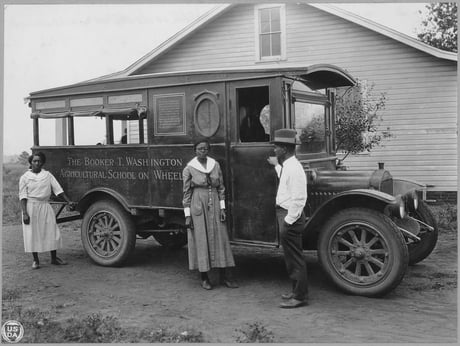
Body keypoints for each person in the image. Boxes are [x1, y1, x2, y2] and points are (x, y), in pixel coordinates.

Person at [182, 139, 238, 290]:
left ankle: (224, 276)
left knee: (221, 238)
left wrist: (222, 208)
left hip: (214, 201)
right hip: (198, 203)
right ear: (195, 151)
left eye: (205, 149)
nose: (203, 151)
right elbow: (186, 193)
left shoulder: (215, 165)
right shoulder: (189, 168)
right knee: (201, 239)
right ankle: (204, 278)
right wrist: (188, 215)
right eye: (200, 149)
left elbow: (221, 187)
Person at [267, 129, 308, 308]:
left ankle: (299, 297)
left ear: (284, 148)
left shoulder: (294, 168)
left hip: (290, 217)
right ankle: (296, 291)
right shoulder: (289, 166)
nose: (274, 150)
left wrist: (288, 221)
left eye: (277, 147)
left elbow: (299, 198)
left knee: (295, 259)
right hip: (286, 214)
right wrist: (276, 165)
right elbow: (284, 178)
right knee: (291, 258)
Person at [19, 152, 75, 269]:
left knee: (52, 231)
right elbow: (23, 196)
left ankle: (54, 258)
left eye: (39, 161)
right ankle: (36, 260)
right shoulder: (25, 177)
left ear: (43, 163)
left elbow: (58, 190)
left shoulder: (47, 175)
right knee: (33, 233)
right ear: (31, 162)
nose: (37, 163)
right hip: (31, 207)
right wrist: (25, 213)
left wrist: (68, 201)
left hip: (45, 206)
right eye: (34, 161)